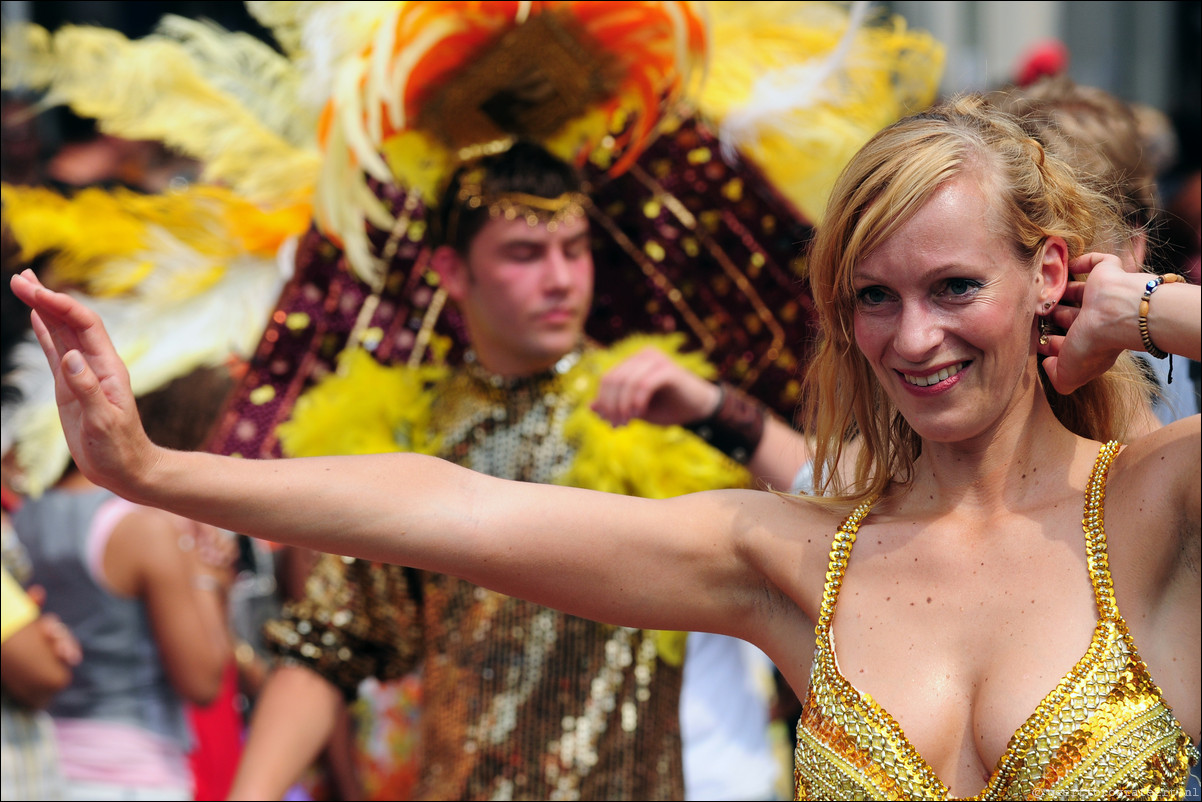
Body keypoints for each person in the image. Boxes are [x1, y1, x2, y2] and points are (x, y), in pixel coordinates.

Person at [19, 92, 1199, 802]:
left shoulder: (1152, 507)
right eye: (871, 298)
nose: (914, 336)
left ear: (1047, 271)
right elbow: (453, 509)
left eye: (952, 286)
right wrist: (151, 472)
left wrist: (1140, 309)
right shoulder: (800, 557)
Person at [226, 141, 762, 801]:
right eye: (525, 254)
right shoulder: (415, 437)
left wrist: (717, 411)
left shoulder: (656, 411)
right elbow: (328, 646)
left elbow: (816, 534)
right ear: (453, 272)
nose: (562, 279)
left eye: (575, 248)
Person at [10, 366, 237, 802]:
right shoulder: (149, 529)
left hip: (42, 761)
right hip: (133, 773)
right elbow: (203, 681)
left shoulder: (28, 513)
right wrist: (209, 581)